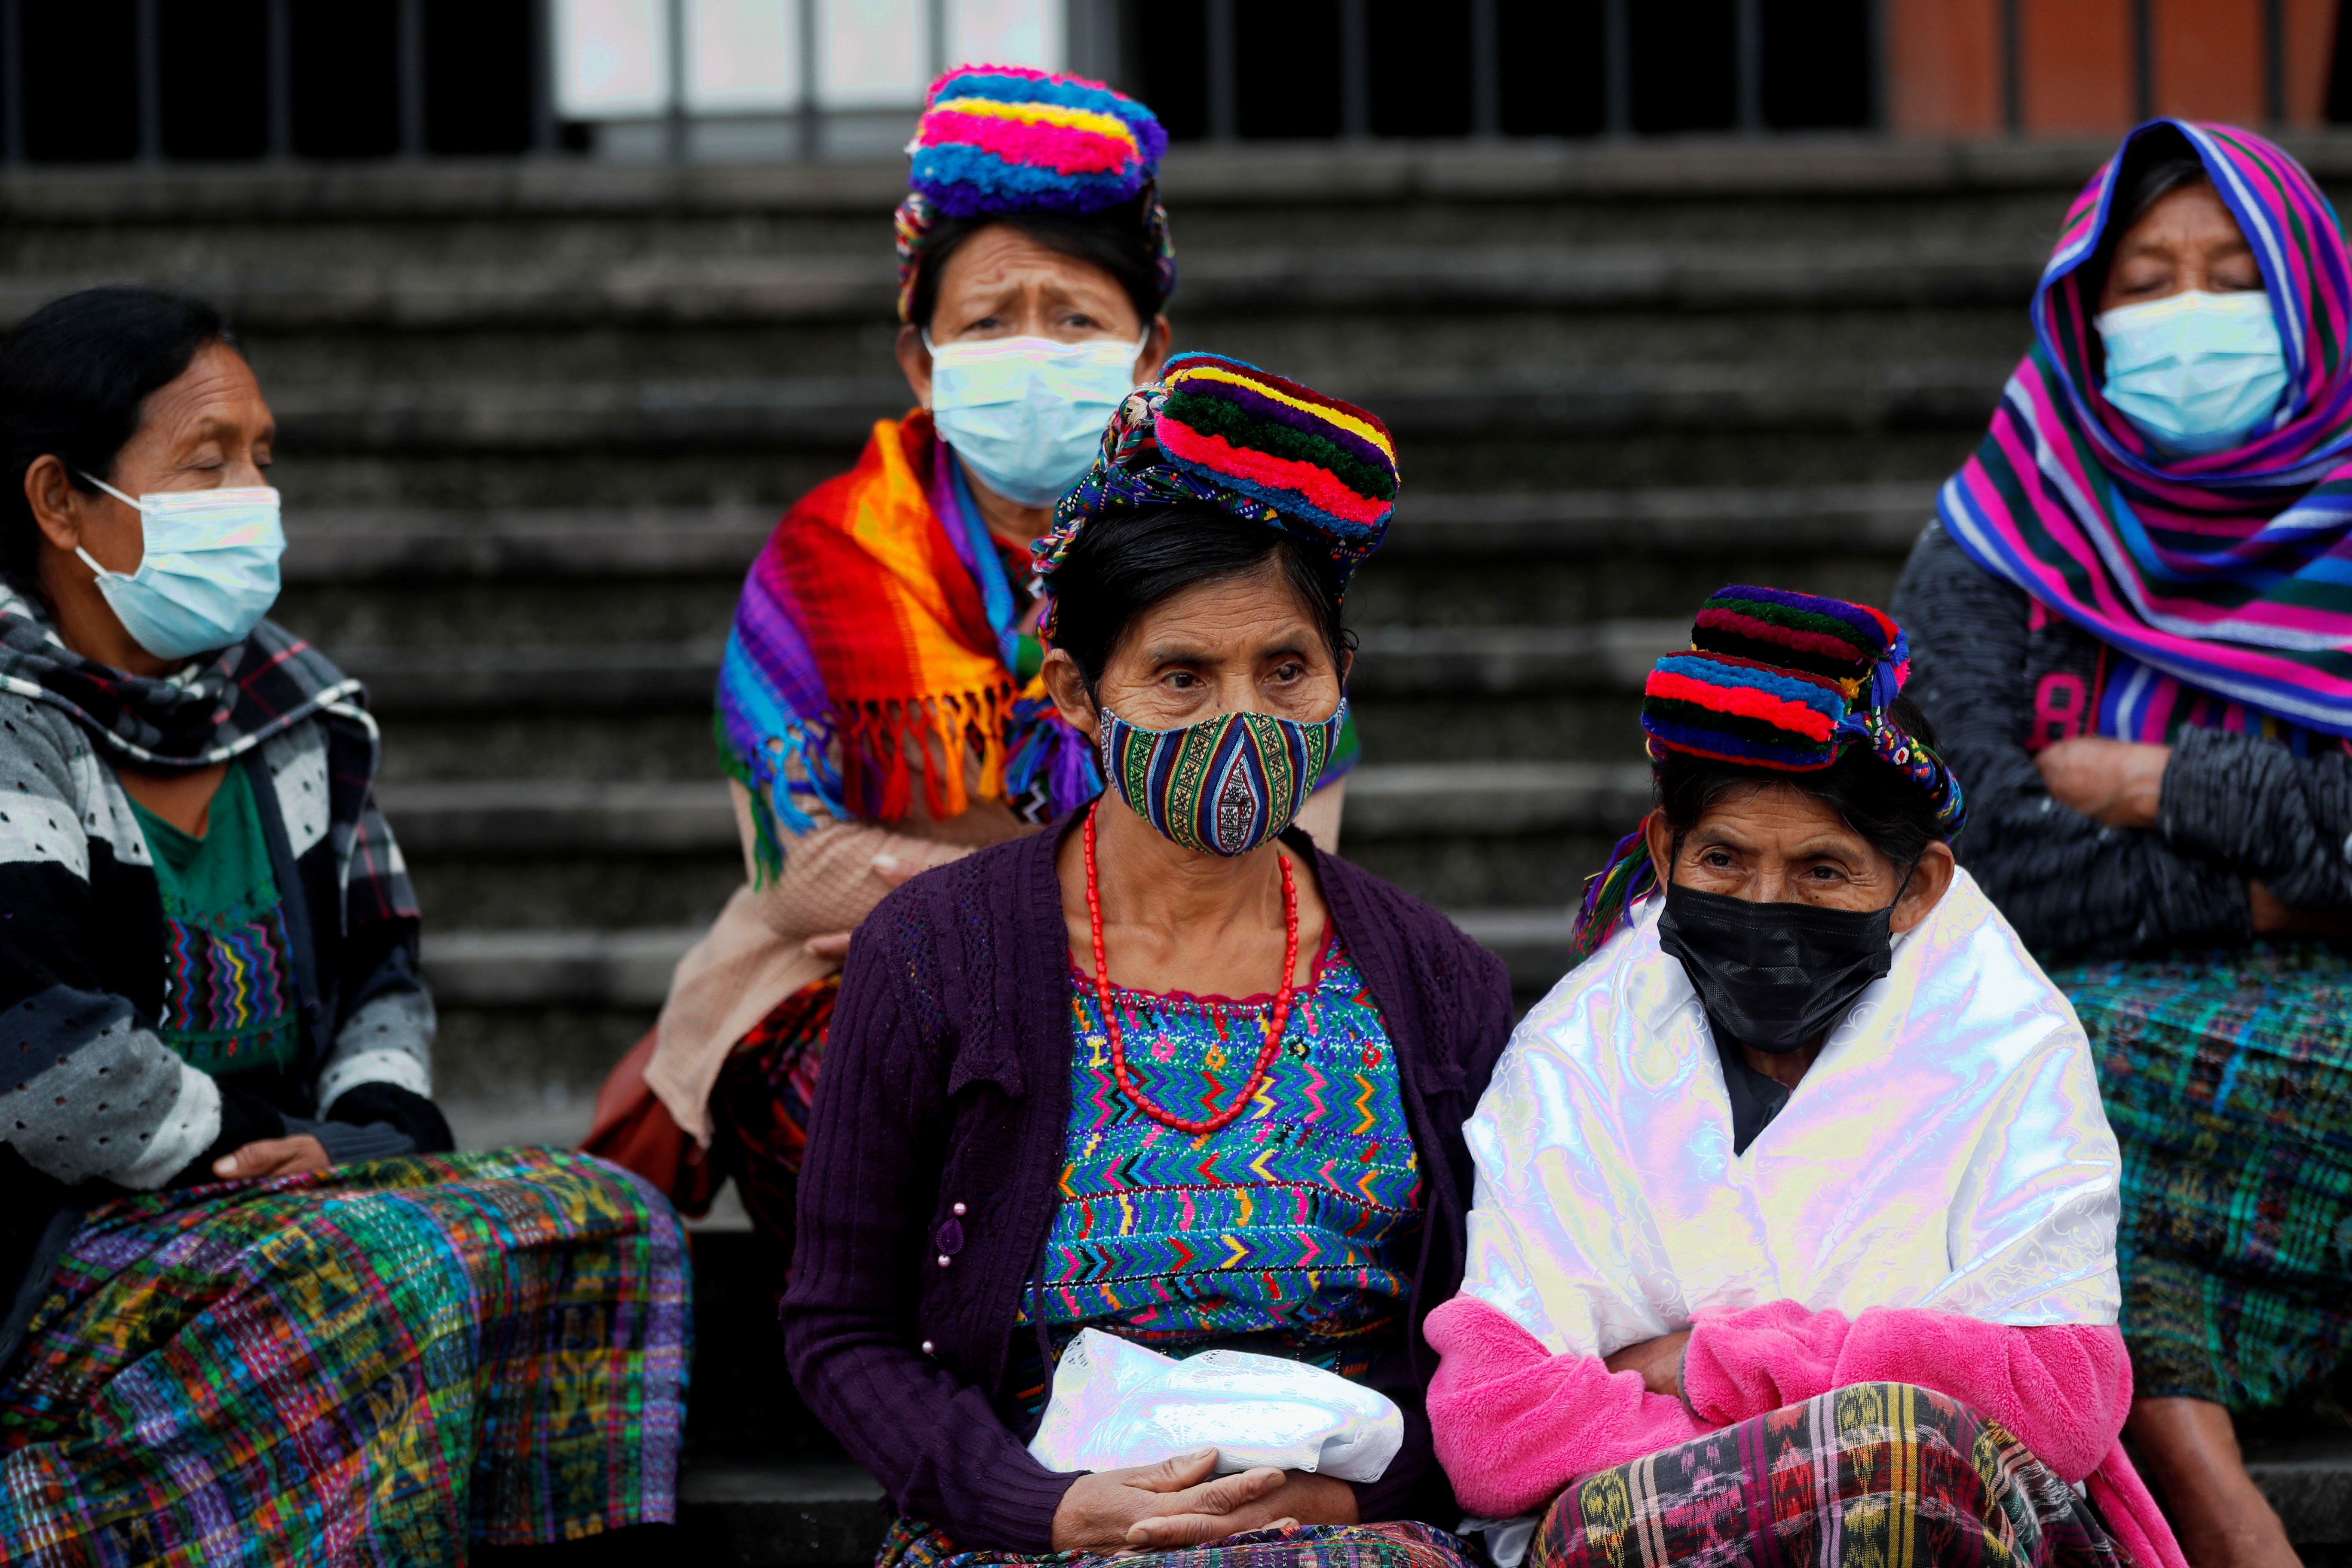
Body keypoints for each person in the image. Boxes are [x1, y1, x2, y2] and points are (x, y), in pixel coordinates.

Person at [586, 64, 1359, 1261]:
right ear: (922, 359)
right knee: (872, 1100)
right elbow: (801, 870)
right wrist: (1024, 925)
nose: (1033, 350)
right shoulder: (826, 560)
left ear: (1149, 350)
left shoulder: (1243, 562)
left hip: (1194, 969)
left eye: (1076, 319)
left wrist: (996, 918)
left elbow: (1291, 836)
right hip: (869, 978)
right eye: (991, 322)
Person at [782, 354, 1511, 1568]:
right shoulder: (936, 953)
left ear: (1342, 679)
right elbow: (841, 1330)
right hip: (1030, 1537)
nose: (1242, 718)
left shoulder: (1440, 982)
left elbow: (1499, 1338)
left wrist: (1337, 1506)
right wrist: (1048, 1509)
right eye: (1182, 677)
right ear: (1077, 694)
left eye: (1286, 669)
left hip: (1345, 1537)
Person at [0, 287, 687, 1562]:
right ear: (59, 501)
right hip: (66, 1244)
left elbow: (383, 976)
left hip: (296, 1192)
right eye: (207, 462)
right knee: (378, 1266)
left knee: (612, 1217)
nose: (253, 496)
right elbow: (39, 1061)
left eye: (262, 458)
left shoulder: (295, 713)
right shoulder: (12, 726)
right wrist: (270, 1153)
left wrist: (361, 1134)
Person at [1420, 586, 2190, 1568]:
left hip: (1950, 1527)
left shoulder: (2008, 1041)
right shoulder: (1576, 1053)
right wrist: (1843, 1430)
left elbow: (2061, 1394)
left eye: (1824, 870)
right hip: (1662, 1536)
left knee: (1901, 1479)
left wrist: (1700, 1365)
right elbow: (1492, 1427)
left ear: (1917, 889)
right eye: (1723, 860)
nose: (1766, 905)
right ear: (1664, 851)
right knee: (1892, 1460)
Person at [1893, 119, 2352, 1568]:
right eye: (2146, 282)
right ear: (2083, 317)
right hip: (2076, 1005)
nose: (2189, 314)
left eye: (2237, 278)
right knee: (2034, 1071)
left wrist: (2162, 780)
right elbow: (1980, 853)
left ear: (2316, 301)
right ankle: (2218, 1502)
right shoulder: (1997, 538)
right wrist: (2285, 887)